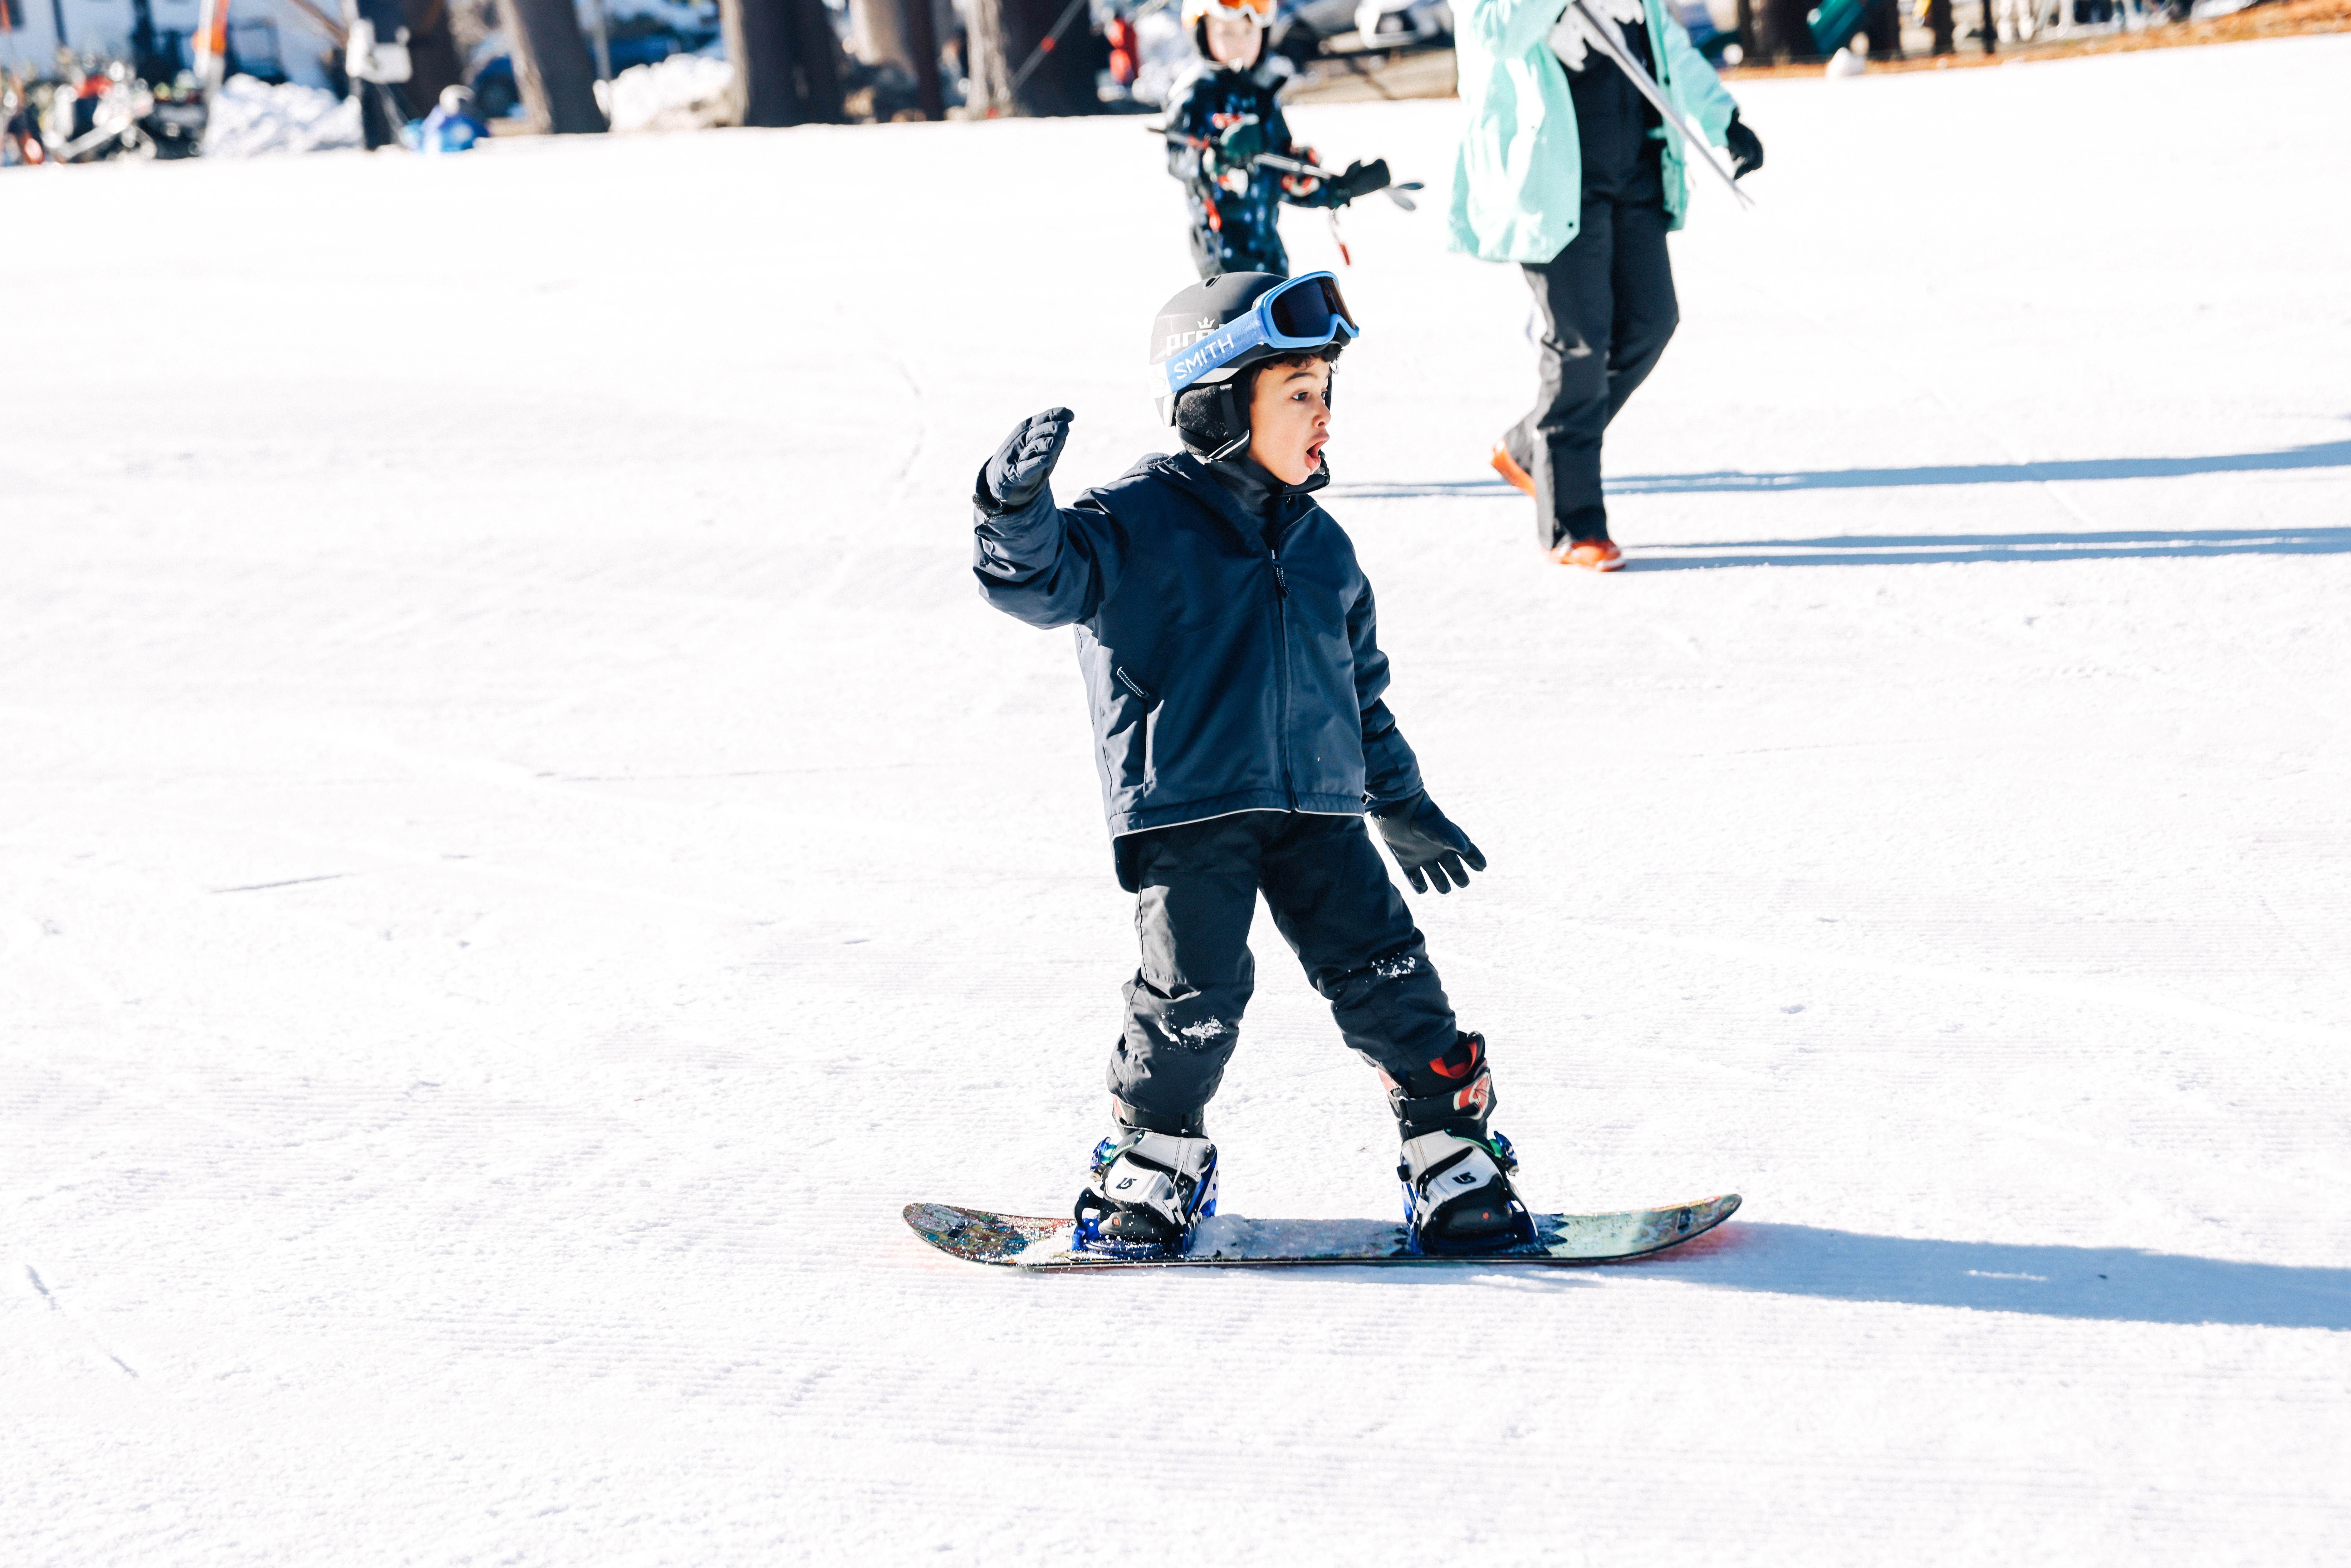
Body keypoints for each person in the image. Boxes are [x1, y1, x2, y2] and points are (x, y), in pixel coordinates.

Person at [968, 272, 1525, 1260]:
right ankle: (1155, 1160)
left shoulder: (1325, 547)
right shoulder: (1137, 519)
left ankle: (1451, 1153)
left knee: (1389, 977)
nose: (1323, 418)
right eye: (1298, 393)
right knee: (1192, 998)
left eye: (1326, 393)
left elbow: (1360, 696)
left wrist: (1401, 802)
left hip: (1319, 809)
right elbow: (1048, 581)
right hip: (1189, 810)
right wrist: (1011, 513)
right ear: (1219, 404)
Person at [1454, 0, 1764, 570]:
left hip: (1635, 170)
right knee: (1580, 342)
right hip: (1552, 183)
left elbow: (1663, 44)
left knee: (1650, 322)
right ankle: (1573, 524)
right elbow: (1493, 34)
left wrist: (1723, 118)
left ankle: (1530, 447)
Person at [1161, 0, 1392, 280]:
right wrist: (1214, 159)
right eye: (1227, 33)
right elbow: (1177, 159)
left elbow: (1284, 175)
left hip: (1271, 254)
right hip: (1221, 256)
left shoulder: (1263, 99)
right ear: (1201, 34)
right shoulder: (1195, 97)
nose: (1240, 44)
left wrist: (1334, 189)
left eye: (1249, 33)